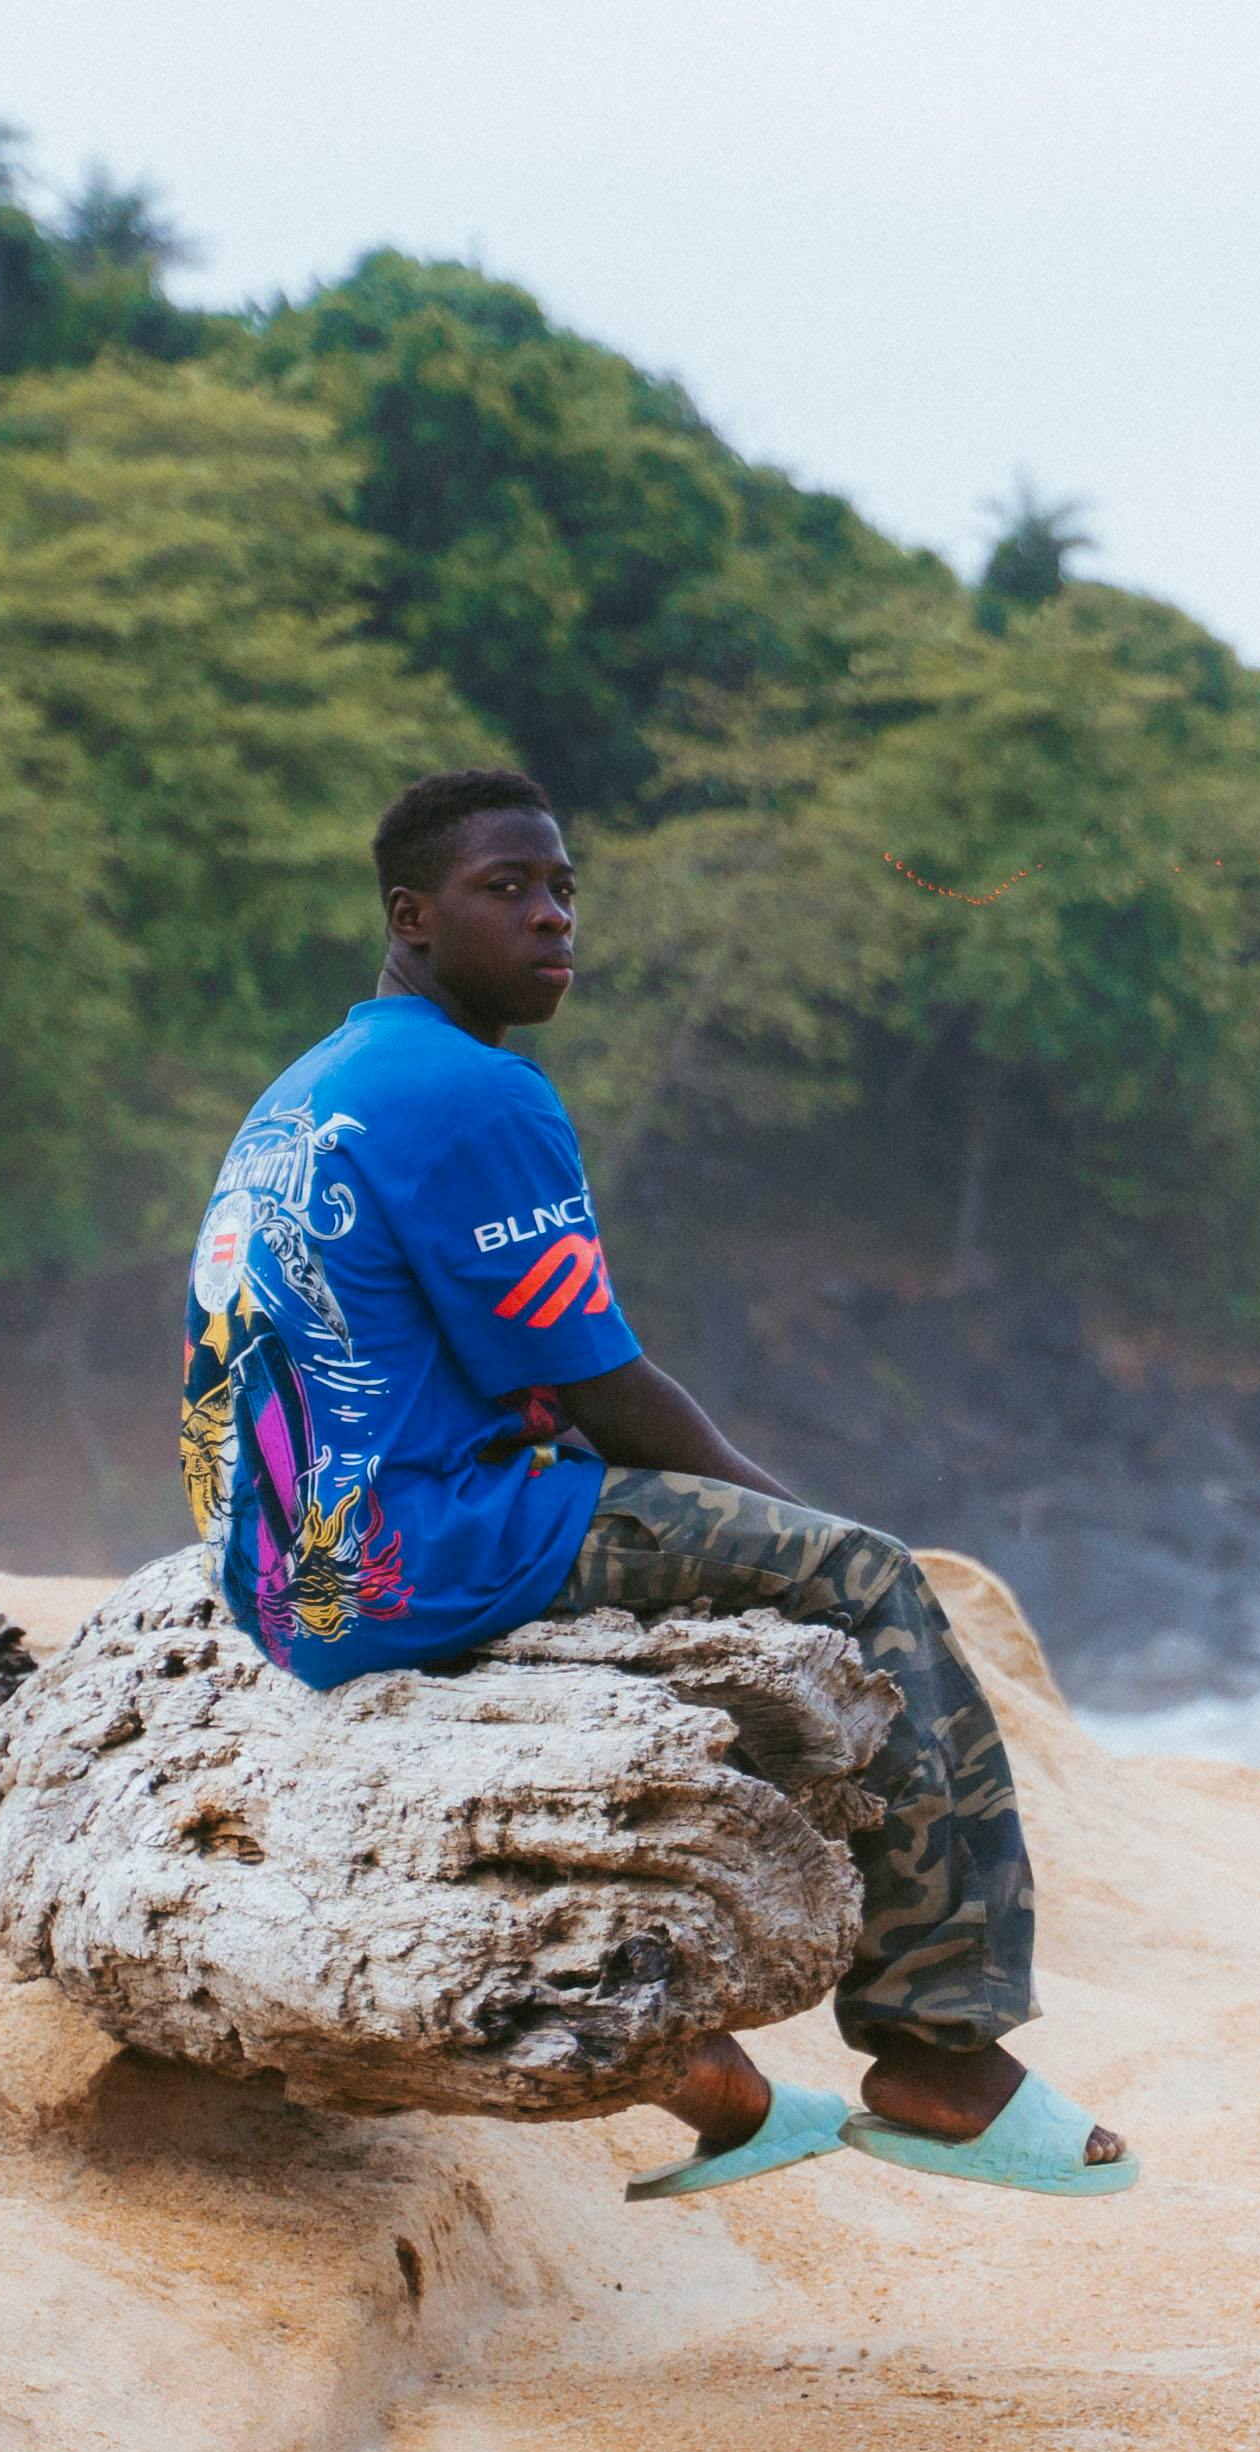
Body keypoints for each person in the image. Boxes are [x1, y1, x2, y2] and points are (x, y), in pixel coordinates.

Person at [178, 766, 1131, 2199]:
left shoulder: (310, 1090)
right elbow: (613, 1389)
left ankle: (726, 2089)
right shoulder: (474, 1091)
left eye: (565, 888)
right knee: (861, 1577)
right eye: (510, 891)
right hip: (417, 1551)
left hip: (281, 1582)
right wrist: (800, 1522)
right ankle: (943, 2055)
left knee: (668, 1556)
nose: (554, 919)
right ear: (413, 917)